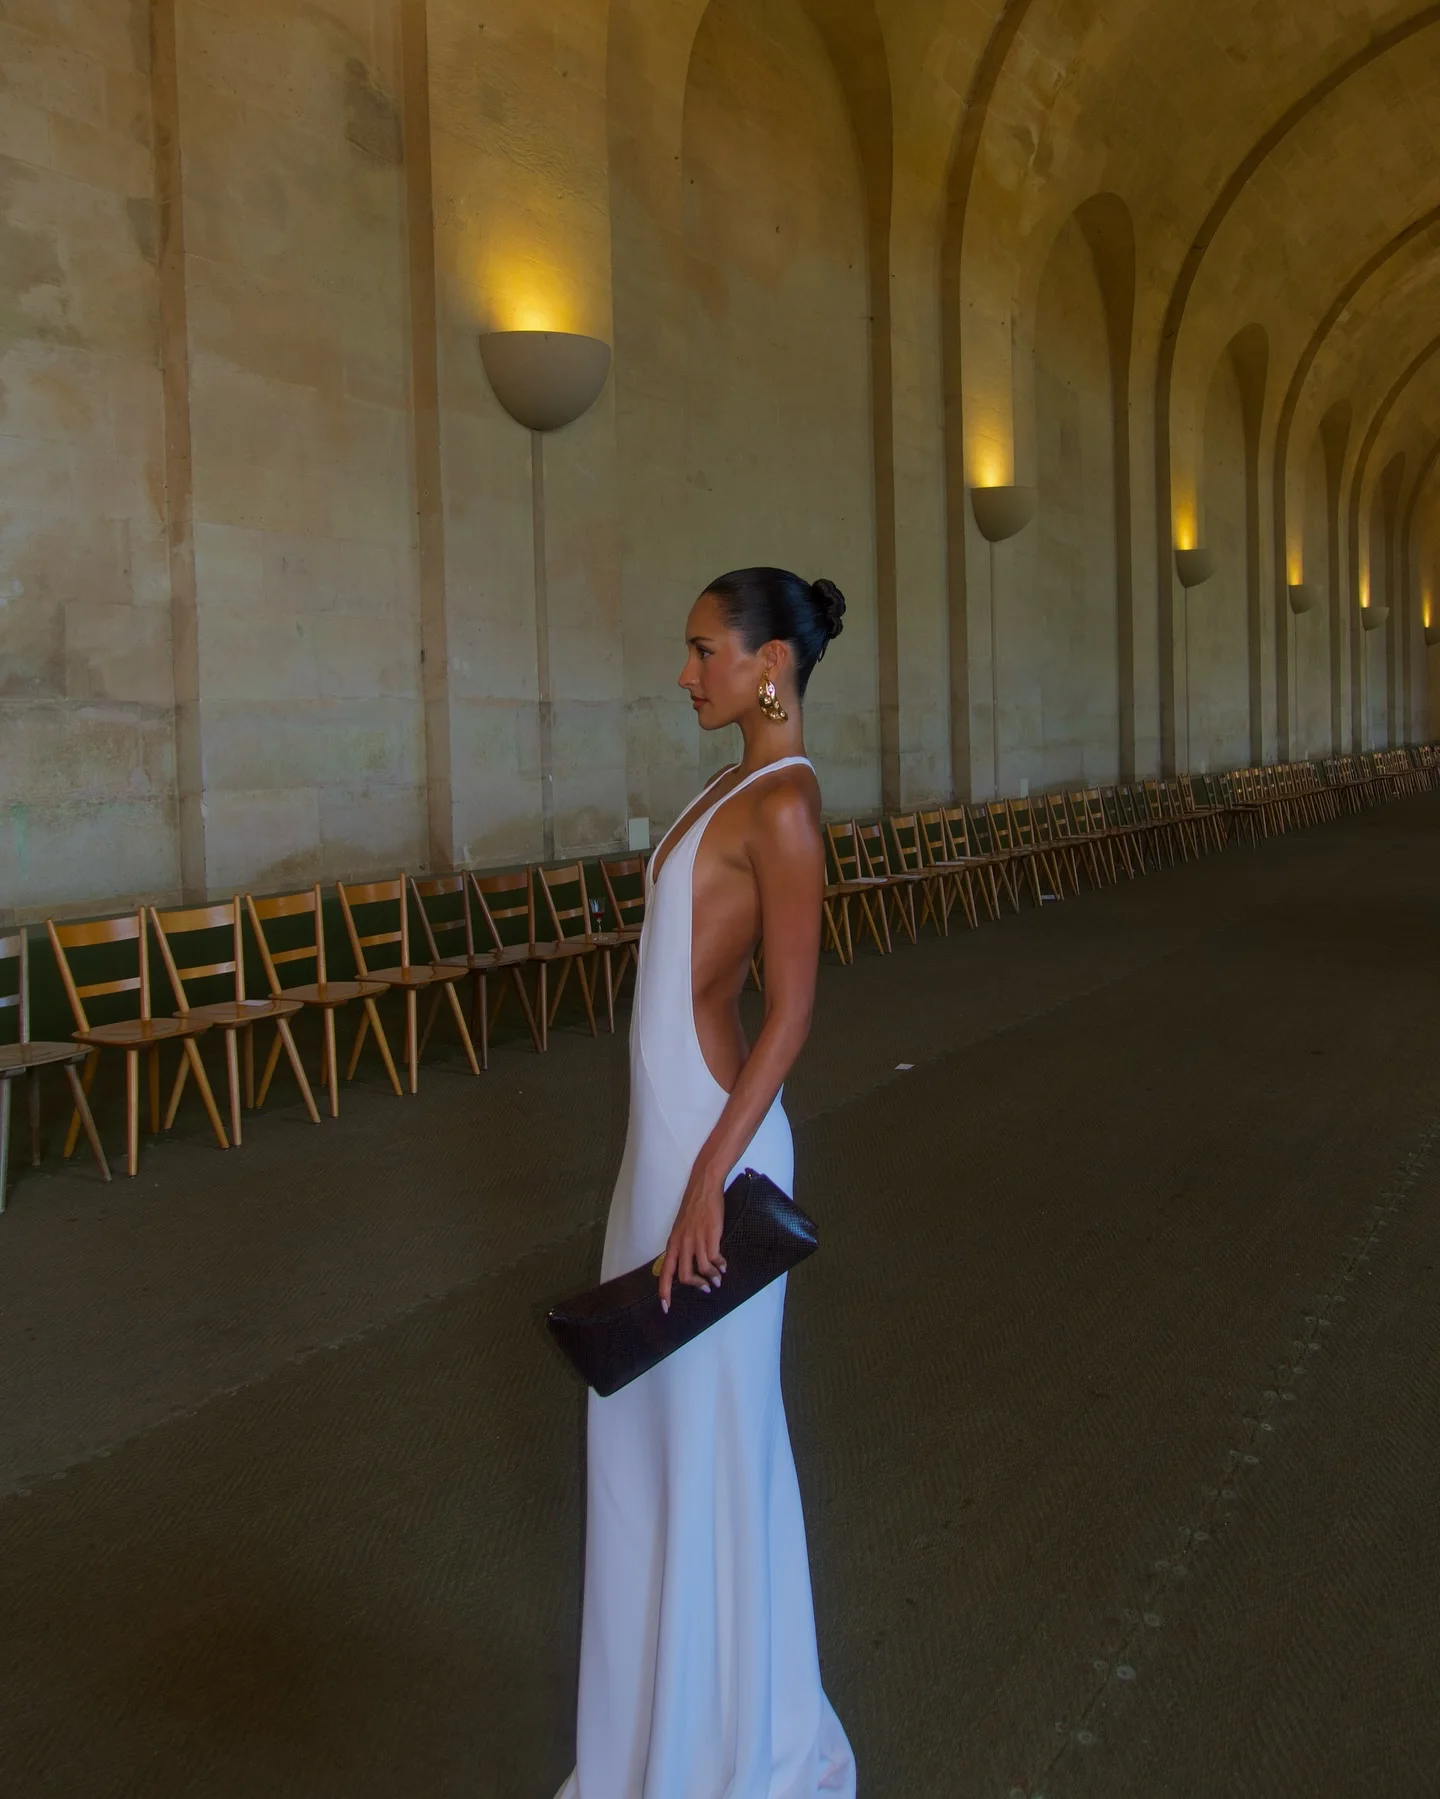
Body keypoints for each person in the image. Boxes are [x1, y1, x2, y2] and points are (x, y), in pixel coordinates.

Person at [554, 568, 856, 1798]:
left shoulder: (782, 803)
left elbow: (790, 1012)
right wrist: (659, 1171)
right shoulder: (727, 785)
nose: (685, 673)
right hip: (663, 1139)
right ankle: (645, 1748)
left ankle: (735, 1749)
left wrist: (703, 1182)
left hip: (715, 1151)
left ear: (768, 662)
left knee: (714, 1439)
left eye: (702, 651)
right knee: (636, 1429)